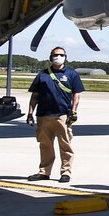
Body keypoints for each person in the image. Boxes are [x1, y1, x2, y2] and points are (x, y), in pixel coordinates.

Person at [25, 46, 84, 182]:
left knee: (65, 144)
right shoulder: (42, 74)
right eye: (56, 55)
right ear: (51, 57)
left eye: (61, 55)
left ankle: (66, 172)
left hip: (62, 115)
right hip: (43, 115)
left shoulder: (71, 74)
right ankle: (44, 171)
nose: (58, 57)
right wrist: (30, 113)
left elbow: (76, 94)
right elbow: (35, 96)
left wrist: (73, 111)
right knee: (45, 145)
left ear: (65, 57)